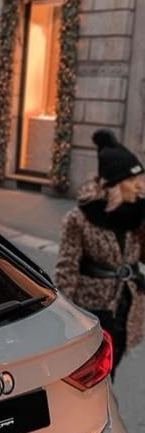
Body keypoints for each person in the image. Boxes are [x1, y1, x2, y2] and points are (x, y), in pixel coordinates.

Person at [55, 131, 145, 376]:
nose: (140, 185)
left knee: (111, 366)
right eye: (133, 179)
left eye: (141, 178)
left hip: (126, 304)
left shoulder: (138, 214)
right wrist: (65, 320)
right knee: (89, 375)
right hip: (92, 309)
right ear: (115, 184)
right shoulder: (80, 218)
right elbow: (66, 269)